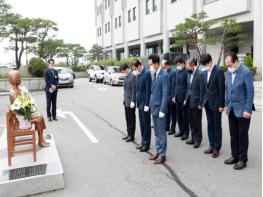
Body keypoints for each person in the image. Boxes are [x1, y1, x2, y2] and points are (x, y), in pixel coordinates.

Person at [224, 52, 254, 170]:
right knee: (233, 134)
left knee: (242, 135)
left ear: (236, 62)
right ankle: (234, 156)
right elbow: (228, 90)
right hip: (231, 108)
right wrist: (226, 104)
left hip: (242, 110)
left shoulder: (245, 72)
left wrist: (248, 109)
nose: (228, 67)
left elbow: (250, 93)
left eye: (230, 65)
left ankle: (242, 159)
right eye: (227, 65)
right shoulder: (227, 73)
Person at [8, 70, 49, 147]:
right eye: (18, 77)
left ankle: (41, 139)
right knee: (39, 117)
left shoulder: (18, 89)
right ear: (14, 79)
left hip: (24, 112)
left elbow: (24, 101)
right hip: (21, 116)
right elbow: (17, 109)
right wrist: (28, 112)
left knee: (39, 116)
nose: (20, 79)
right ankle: (40, 140)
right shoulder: (13, 92)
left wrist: (29, 103)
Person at [200, 53, 225, 158]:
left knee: (216, 126)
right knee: (210, 125)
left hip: (216, 103)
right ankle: (211, 145)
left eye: (206, 64)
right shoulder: (205, 72)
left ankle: (216, 148)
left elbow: (221, 89)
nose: (205, 66)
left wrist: (221, 105)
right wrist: (202, 102)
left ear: (210, 61)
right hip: (207, 103)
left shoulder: (218, 71)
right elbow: (205, 89)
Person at [148, 54, 169, 164]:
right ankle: (157, 151)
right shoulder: (155, 74)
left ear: (156, 63)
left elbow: (165, 94)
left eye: (151, 64)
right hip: (154, 107)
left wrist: (162, 109)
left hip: (160, 109)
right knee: (156, 132)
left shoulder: (164, 75)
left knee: (161, 133)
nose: (150, 66)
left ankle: (162, 154)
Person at [133, 59, 152, 152]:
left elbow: (148, 90)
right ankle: (143, 142)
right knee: (141, 124)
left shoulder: (147, 73)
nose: (135, 70)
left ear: (139, 66)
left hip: (145, 104)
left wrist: (147, 104)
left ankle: (147, 143)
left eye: (135, 68)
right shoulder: (138, 74)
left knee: (146, 124)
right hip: (139, 103)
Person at [184, 60, 203, 148]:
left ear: (192, 66)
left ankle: (198, 140)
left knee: (197, 122)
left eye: (188, 67)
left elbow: (202, 90)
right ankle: (193, 138)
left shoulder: (199, 74)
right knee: (191, 121)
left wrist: (201, 103)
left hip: (196, 102)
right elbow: (188, 88)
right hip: (189, 101)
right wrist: (185, 99)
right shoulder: (189, 73)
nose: (187, 69)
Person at [172, 57, 189, 141]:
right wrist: (174, 96)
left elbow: (187, 87)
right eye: (177, 65)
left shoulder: (186, 72)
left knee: (185, 116)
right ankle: (181, 130)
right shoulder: (177, 72)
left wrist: (186, 98)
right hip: (178, 97)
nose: (177, 66)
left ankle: (186, 133)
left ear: (183, 63)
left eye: (179, 65)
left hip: (184, 98)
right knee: (179, 116)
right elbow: (176, 85)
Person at [119, 63, 136, 142]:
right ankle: (128, 133)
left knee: (131, 119)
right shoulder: (126, 76)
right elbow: (125, 89)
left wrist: (133, 101)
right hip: (126, 101)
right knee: (127, 119)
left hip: (130, 102)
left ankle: (132, 136)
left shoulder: (132, 76)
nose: (123, 73)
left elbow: (134, 90)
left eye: (123, 71)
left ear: (126, 69)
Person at [162, 60, 177, 135]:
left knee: (173, 114)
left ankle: (173, 128)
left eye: (163, 66)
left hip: (171, 96)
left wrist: (173, 96)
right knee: (167, 113)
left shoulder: (172, 72)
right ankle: (167, 126)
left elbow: (174, 85)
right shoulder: (165, 72)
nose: (162, 67)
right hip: (166, 96)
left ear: (167, 65)